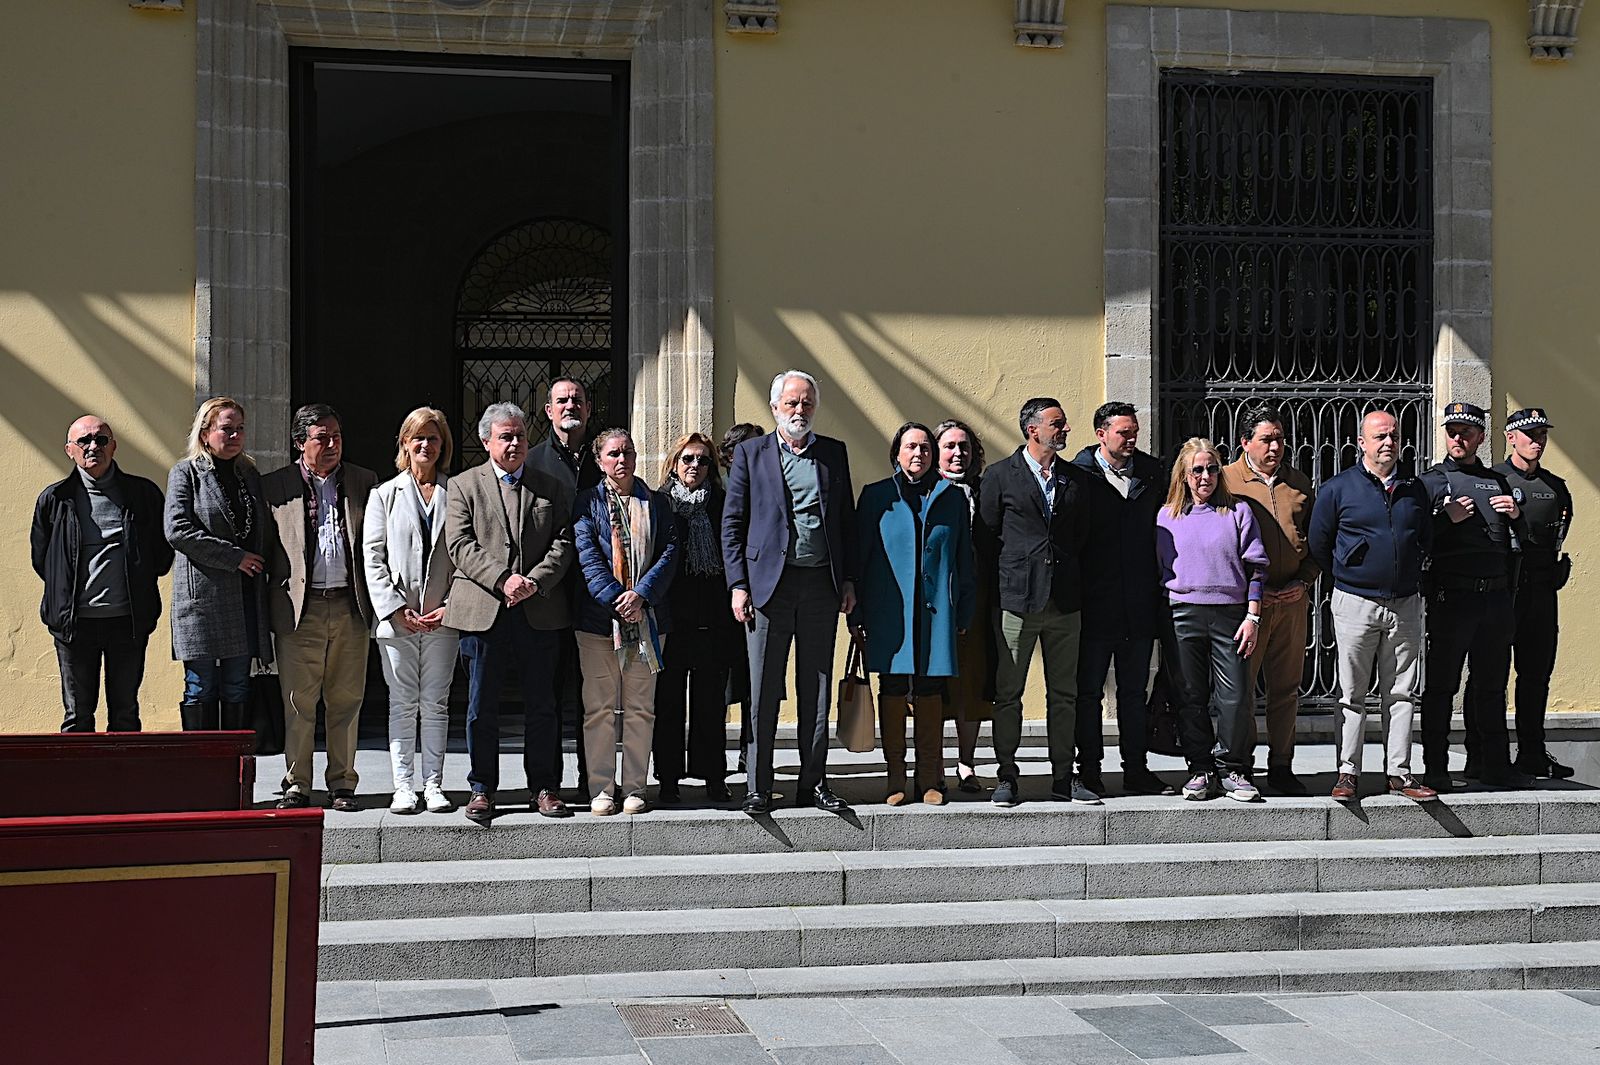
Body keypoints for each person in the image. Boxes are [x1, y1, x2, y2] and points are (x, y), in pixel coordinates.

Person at [723, 370, 858, 815]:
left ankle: (813, 783)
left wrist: (849, 581)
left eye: (806, 403)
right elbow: (733, 522)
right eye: (791, 403)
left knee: (816, 686)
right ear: (775, 406)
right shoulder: (751, 453)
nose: (799, 410)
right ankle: (758, 786)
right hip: (768, 587)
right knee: (762, 689)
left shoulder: (833, 454)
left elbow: (845, 522)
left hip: (820, 583)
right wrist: (738, 584)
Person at [445, 401, 575, 823]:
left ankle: (544, 787)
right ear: (486, 442)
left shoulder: (548, 486)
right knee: (482, 705)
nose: (515, 442)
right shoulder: (464, 486)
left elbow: (563, 541)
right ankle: (482, 788)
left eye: (520, 435)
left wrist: (534, 581)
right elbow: (459, 545)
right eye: (506, 436)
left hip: (538, 610)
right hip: (485, 610)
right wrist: (504, 580)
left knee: (543, 704)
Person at [1308, 411, 1435, 801]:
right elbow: (1319, 543)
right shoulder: (1337, 488)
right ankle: (1348, 773)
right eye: (1379, 436)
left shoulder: (1415, 488)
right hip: (1355, 603)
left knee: (1401, 692)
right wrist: (1352, 575)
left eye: (1394, 436)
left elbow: (1426, 539)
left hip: (1405, 604)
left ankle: (1399, 772)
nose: (1388, 443)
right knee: (1351, 692)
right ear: (1361, 442)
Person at [978, 397, 1093, 807]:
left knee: (1066, 693)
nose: (1064, 430)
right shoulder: (999, 476)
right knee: (1008, 693)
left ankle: (1065, 774)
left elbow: (1080, 536)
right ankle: (1007, 774)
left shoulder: (1075, 478)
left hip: (1065, 601)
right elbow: (986, 539)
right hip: (1016, 600)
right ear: (1033, 430)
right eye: (1056, 424)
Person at [262, 404, 378, 811]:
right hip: (300, 610)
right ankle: (297, 783)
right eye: (321, 438)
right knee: (298, 702)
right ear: (299, 443)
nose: (331, 445)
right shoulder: (275, 487)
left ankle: (343, 783)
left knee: (347, 700)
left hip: (350, 605)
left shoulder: (365, 481)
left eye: (337, 437)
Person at [855, 422, 975, 806]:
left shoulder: (951, 498)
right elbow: (861, 559)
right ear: (897, 453)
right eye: (911, 447)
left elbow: (964, 559)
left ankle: (929, 778)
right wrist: (856, 613)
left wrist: (964, 610)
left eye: (925, 447)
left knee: (930, 689)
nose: (919, 454)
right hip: (889, 609)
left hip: (936, 610)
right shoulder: (876, 496)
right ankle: (895, 778)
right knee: (892, 687)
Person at [33, 415, 173, 732]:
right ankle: (77, 783)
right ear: (70, 450)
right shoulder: (54, 500)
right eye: (84, 441)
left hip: (128, 621)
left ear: (114, 447)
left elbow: (161, 554)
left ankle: (124, 782)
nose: (93, 446)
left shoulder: (143, 495)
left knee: (125, 715)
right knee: (77, 718)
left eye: (101, 439)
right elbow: (42, 559)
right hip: (74, 625)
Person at [1418, 401, 1530, 792]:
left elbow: (1525, 542)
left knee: (1491, 685)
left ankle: (1494, 766)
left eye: (1466, 431)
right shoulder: (1430, 482)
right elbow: (1416, 539)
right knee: (1442, 687)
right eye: (1452, 431)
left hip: (1496, 600)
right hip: (1453, 599)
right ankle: (1436, 768)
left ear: (1481, 437)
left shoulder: (1497, 482)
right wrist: (1444, 520)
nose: (1458, 437)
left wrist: (1517, 516)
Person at [1156, 437, 1269, 802]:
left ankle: (1233, 768)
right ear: (1184, 475)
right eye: (1197, 470)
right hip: (1182, 614)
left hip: (1231, 615)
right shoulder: (1167, 516)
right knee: (1190, 697)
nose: (1205, 476)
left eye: (1212, 469)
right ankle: (1201, 768)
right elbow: (1159, 570)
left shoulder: (1238, 512)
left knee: (1235, 697)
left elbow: (1256, 568)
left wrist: (1252, 616)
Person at [573, 428, 680, 815]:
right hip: (598, 624)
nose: (623, 460)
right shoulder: (586, 503)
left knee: (640, 709)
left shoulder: (658, 503)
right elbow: (587, 555)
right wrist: (616, 601)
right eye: (614, 454)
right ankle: (602, 788)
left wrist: (641, 595)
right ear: (600, 461)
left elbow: (669, 553)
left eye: (629, 452)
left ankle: (635, 787)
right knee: (599, 709)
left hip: (648, 621)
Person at [1070, 401, 1169, 797]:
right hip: (1094, 605)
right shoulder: (1078, 475)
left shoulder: (1151, 473)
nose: (1131, 439)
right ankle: (1089, 769)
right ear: (1101, 434)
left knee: (1133, 692)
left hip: (1139, 604)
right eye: (1123, 432)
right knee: (1088, 692)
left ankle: (1136, 768)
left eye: (1134, 432)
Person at [363, 407, 458, 815]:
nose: (425, 445)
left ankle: (434, 784)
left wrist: (451, 607)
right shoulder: (383, 495)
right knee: (402, 702)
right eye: (417, 437)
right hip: (397, 620)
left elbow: (467, 557)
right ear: (404, 443)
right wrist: (395, 608)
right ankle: (404, 786)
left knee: (435, 702)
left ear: (443, 445)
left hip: (443, 619)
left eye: (433, 438)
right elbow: (373, 556)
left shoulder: (458, 494)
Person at [1224, 404, 1319, 796]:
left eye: (1280, 438)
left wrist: (1305, 579)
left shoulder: (1298, 483)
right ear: (1245, 442)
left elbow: (1318, 539)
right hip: (1249, 605)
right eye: (1266, 439)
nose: (1276, 446)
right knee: (1241, 688)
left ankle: (1281, 765)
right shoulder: (1226, 480)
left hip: (1292, 599)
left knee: (1286, 687)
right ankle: (1239, 765)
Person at [164, 398, 274, 731]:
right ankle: (199, 768)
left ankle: (234, 765)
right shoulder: (186, 472)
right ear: (206, 432)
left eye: (240, 429)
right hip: (203, 600)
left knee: (238, 684)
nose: (236, 436)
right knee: (201, 684)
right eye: (227, 429)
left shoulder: (248, 474)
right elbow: (177, 529)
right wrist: (234, 557)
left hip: (244, 599)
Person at [655, 432, 739, 804]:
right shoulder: (660, 505)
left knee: (709, 705)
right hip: (670, 620)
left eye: (703, 460)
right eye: (688, 459)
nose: (695, 466)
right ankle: (669, 777)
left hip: (713, 619)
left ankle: (714, 776)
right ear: (674, 463)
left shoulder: (722, 503)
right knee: (668, 703)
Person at [527, 376, 600, 798]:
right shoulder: (532, 463)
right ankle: (546, 784)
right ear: (549, 411)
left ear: (588, 409)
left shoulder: (606, 459)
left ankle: (594, 778)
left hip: (595, 598)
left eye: (577, 400)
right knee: (547, 698)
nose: (570, 405)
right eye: (561, 400)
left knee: (594, 697)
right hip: (549, 599)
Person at [1496, 408, 1575, 779]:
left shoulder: (1556, 487)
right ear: (1511, 437)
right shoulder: (1493, 480)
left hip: (1541, 594)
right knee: (1491, 676)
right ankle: (1487, 755)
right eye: (1529, 434)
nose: (1536, 441)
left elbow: (1557, 536)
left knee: (1536, 675)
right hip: (1501, 593)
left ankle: (1532, 752)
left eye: (1542, 434)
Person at [935, 419, 995, 793]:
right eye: (950, 446)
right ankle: (934, 765)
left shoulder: (985, 491)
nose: (958, 453)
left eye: (964, 447)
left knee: (971, 683)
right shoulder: (926, 491)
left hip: (978, 598)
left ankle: (967, 763)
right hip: (937, 600)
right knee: (935, 685)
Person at [719, 422, 766, 776]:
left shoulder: (768, 490)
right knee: (722, 683)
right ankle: (716, 753)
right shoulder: (719, 494)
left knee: (758, 682)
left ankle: (751, 753)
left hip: (761, 596)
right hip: (722, 600)